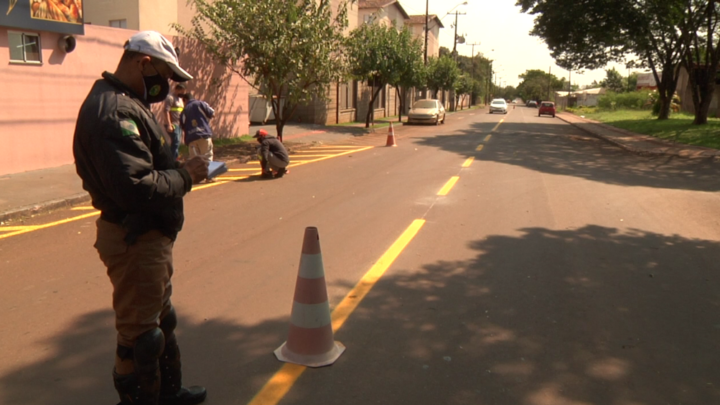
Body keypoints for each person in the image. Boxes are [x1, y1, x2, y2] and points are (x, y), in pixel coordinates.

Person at [72, 31, 208, 405]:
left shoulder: (126, 102)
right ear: (143, 63)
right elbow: (135, 187)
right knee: (139, 338)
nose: (166, 85)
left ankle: (168, 393)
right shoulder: (114, 110)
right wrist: (186, 176)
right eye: (164, 75)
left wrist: (176, 167)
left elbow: (143, 167)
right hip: (134, 240)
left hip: (147, 236)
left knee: (160, 322)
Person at [180, 93, 215, 161]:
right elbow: (212, 113)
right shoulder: (201, 104)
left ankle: (198, 171)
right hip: (204, 135)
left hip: (191, 138)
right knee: (207, 157)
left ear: (185, 100)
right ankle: (208, 171)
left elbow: (182, 125)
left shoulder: (184, 111)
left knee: (195, 161)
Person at [164, 83, 186, 160]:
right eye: (181, 92)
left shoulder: (180, 99)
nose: (182, 94)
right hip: (173, 124)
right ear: (176, 90)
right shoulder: (170, 98)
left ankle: (173, 158)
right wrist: (169, 125)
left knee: (177, 143)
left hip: (179, 124)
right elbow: (166, 111)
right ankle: (172, 160)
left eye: (183, 92)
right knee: (176, 141)